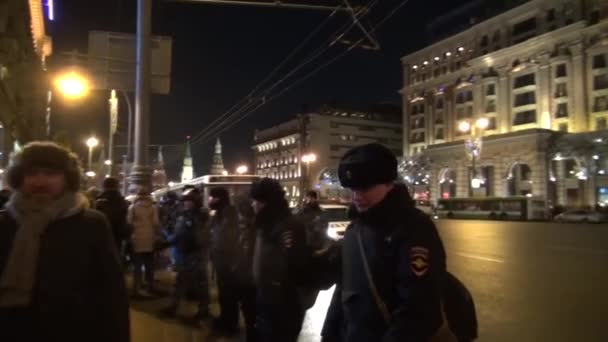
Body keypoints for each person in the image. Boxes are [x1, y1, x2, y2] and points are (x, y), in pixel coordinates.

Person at [0, 142, 129, 342]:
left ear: (67, 179)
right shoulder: (5, 222)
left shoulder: (92, 224)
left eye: (51, 174)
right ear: (19, 177)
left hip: (75, 331)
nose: (40, 181)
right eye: (32, 173)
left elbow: (112, 294)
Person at [320, 143, 448, 342]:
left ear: (389, 184)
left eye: (365, 187)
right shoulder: (355, 228)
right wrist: (329, 335)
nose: (357, 196)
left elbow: (419, 308)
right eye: (352, 189)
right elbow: (345, 292)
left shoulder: (414, 228)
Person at [250, 178, 310, 342]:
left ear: (267, 202)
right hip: (266, 295)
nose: (253, 205)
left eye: (257, 201)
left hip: (282, 301)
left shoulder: (287, 225)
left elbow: (295, 264)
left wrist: (277, 286)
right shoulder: (265, 224)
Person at [159, 188, 211, 321]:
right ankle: (202, 310)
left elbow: (182, 234)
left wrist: (167, 241)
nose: (186, 204)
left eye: (188, 201)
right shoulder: (195, 215)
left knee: (187, 282)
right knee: (196, 283)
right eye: (185, 201)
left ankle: (176, 308)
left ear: (195, 202)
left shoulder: (193, 216)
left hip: (193, 254)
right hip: (194, 252)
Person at [208, 187, 241, 334]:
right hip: (221, 261)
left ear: (220, 198)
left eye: (212, 197)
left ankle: (230, 324)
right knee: (224, 293)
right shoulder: (220, 214)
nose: (210, 200)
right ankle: (224, 319)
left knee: (229, 295)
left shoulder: (229, 214)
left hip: (228, 263)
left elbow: (227, 239)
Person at [231, 195, 258, 342]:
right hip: (244, 280)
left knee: (251, 315)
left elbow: (247, 255)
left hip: (250, 281)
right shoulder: (245, 229)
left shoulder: (253, 231)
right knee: (248, 314)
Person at [128, 187, 160, 297]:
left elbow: (129, 222)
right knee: (149, 264)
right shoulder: (153, 207)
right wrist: (156, 235)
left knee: (137, 265)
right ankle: (150, 286)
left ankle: (137, 288)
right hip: (149, 238)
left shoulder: (133, 207)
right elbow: (156, 223)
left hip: (137, 238)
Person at [95, 177, 130, 252]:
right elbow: (127, 220)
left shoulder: (98, 202)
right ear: (117, 187)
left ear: (104, 186)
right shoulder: (123, 202)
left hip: (101, 236)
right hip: (118, 236)